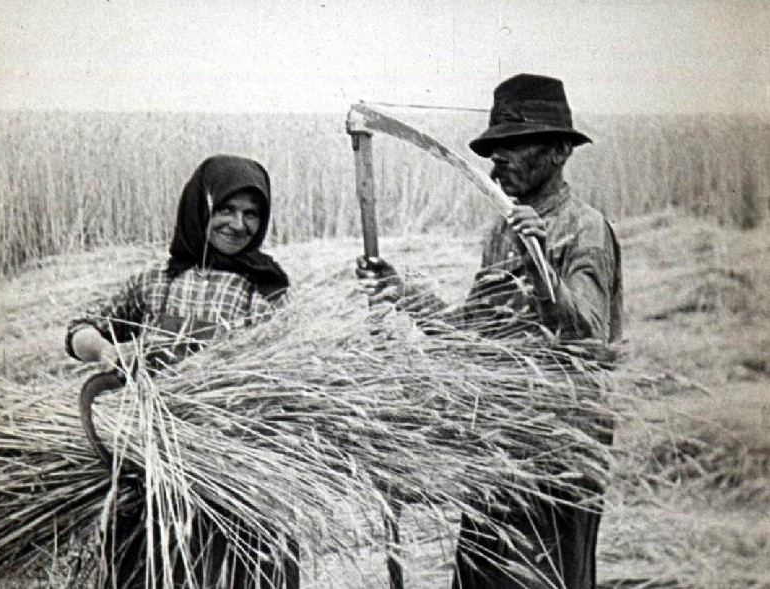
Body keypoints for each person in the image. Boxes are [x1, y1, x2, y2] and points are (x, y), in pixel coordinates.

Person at [356, 74, 622, 588]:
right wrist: (407, 297)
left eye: (514, 146)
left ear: (560, 151)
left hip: (557, 443)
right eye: (494, 149)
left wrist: (541, 264)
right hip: (500, 433)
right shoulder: (503, 232)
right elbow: (475, 338)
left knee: (545, 575)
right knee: (484, 572)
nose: (497, 160)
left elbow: (589, 332)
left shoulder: (583, 228)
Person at [66, 155, 297, 588]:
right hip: (148, 470)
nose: (238, 224)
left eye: (251, 214)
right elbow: (79, 329)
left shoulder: (267, 290)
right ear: (198, 208)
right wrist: (107, 351)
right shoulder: (156, 281)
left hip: (233, 476)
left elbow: (285, 384)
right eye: (225, 210)